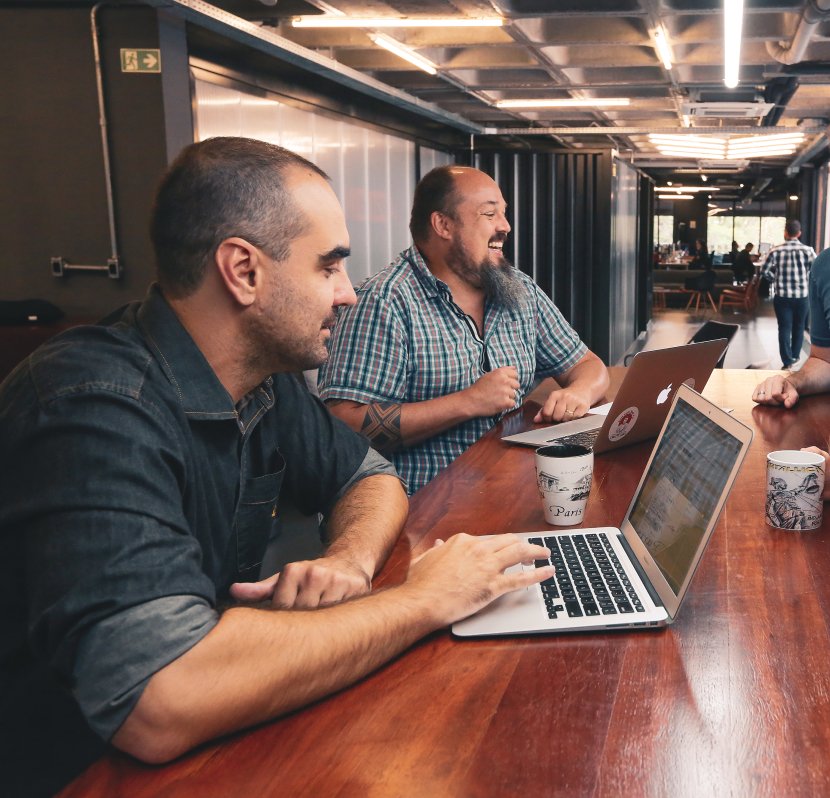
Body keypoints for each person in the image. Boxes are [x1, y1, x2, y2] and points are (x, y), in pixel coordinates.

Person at [0, 138, 553, 797]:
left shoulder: (259, 379)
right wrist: (427, 599)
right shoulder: (90, 407)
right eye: (328, 268)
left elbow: (367, 477)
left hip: (208, 732)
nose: (349, 294)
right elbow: (161, 699)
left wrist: (349, 558)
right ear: (244, 271)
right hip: (74, 771)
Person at [317, 165, 609, 494]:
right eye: (489, 214)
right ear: (443, 224)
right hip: (420, 517)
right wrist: (468, 401)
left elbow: (588, 366)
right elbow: (343, 424)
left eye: (504, 213)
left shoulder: (519, 291)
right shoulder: (384, 302)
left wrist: (578, 393)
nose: (505, 226)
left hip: (508, 492)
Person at [759, 219, 817, 369]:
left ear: (785, 233)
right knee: (798, 327)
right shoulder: (808, 250)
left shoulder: (775, 250)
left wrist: (775, 279)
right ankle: (795, 356)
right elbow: (815, 271)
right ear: (799, 233)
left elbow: (763, 271)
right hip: (802, 297)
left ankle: (787, 361)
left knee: (784, 328)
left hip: (782, 297)